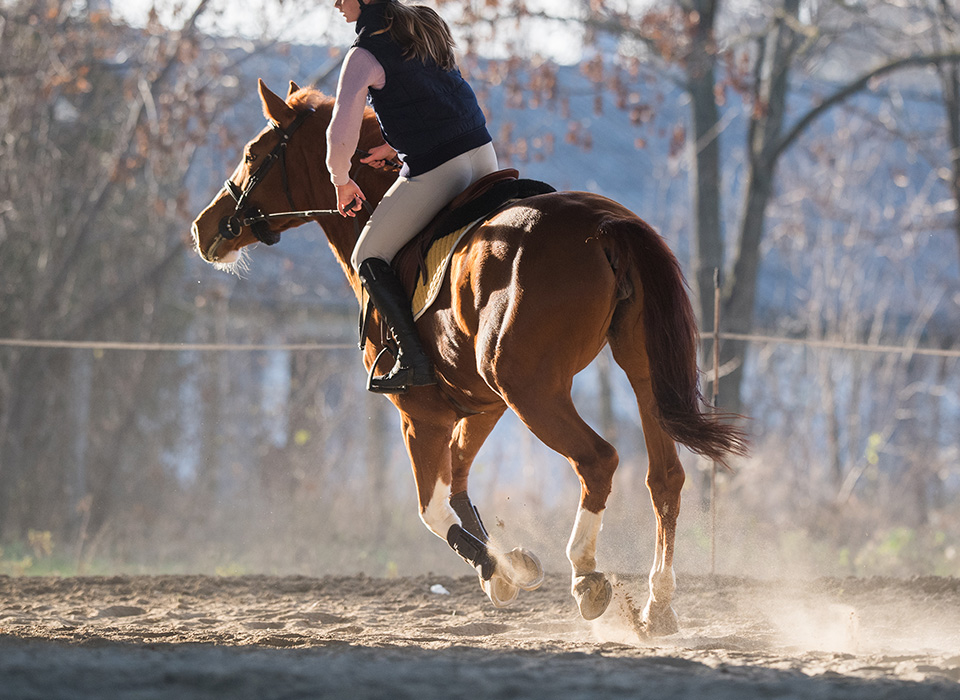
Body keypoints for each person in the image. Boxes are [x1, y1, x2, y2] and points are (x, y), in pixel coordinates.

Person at [326, 0, 499, 393]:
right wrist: (393, 146)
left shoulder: (363, 54)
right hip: (484, 155)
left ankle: (413, 360)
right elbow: (434, 95)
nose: (336, 3)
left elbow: (339, 135)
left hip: (441, 169)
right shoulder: (425, 21)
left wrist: (340, 180)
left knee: (366, 254)